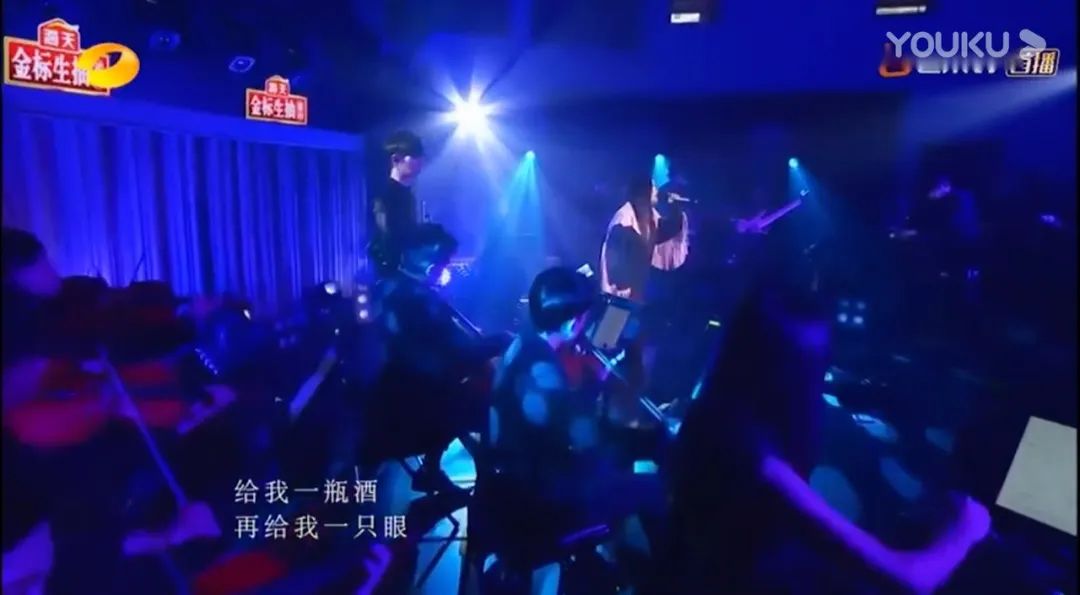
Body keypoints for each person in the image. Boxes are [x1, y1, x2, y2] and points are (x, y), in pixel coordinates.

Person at [666, 285, 992, 594]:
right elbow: (910, 580)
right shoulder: (756, 460)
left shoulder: (712, 416)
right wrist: (966, 528)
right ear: (792, 368)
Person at [489, 267, 666, 558]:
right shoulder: (544, 369)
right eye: (585, 318)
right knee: (653, 488)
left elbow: (558, 419)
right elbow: (585, 441)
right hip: (540, 501)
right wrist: (598, 381)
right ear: (572, 322)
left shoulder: (523, 345)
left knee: (625, 452)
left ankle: (615, 543)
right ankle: (666, 572)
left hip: (511, 484)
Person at [369, 223, 507, 493]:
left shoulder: (395, 287)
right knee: (490, 404)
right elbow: (456, 353)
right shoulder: (415, 297)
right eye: (441, 260)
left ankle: (433, 470)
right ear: (419, 258)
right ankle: (488, 478)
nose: (444, 266)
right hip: (414, 402)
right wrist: (498, 342)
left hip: (398, 391)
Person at [367, 130, 426, 280]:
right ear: (396, 159)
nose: (420, 161)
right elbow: (385, 238)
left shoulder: (407, 195)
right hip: (393, 278)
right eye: (413, 156)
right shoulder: (384, 196)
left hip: (408, 273)